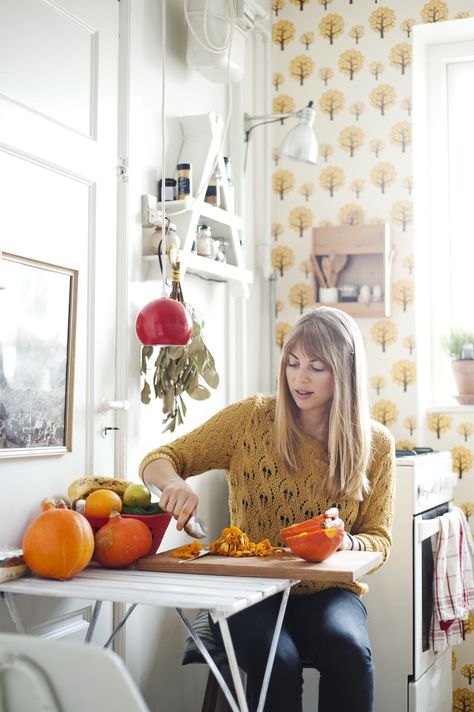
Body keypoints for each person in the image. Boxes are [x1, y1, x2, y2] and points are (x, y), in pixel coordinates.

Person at [139, 306, 395, 712]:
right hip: (248, 591)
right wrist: (172, 483)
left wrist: (345, 542)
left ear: (345, 373)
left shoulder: (376, 445)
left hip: (327, 594)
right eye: (292, 363)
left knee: (347, 650)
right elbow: (161, 457)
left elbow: (379, 539)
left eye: (316, 366)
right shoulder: (251, 419)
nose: (300, 377)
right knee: (279, 660)